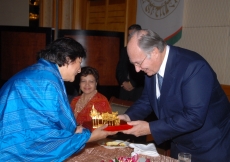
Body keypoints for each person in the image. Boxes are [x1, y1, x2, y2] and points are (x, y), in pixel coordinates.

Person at [119, 29, 230, 161]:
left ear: (154, 52)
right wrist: (128, 116)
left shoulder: (193, 67)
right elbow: (147, 100)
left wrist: (150, 128)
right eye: (133, 64)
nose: (137, 70)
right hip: (179, 143)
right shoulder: (150, 68)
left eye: (138, 63)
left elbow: (194, 117)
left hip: (209, 146)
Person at [0, 37, 117, 161]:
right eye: (79, 62)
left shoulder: (36, 72)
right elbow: (61, 129)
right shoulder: (49, 82)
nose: (79, 69)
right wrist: (89, 136)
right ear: (68, 59)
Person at [116, 24, 145, 101]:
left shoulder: (144, 51)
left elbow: (144, 72)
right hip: (124, 90)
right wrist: (123, 82)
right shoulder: (124, 50)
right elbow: (119, 69)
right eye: (129, 35)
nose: (130, 37)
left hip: (138, 91)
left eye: (132, 34)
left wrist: (132, 83)